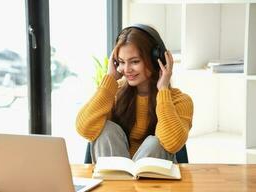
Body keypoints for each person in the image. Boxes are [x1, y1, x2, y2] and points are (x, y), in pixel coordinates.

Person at [76, 24, 194, 163]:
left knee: (155, 143)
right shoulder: (115, 92)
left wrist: (163, 89)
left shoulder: (180, 101)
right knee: (106, 130)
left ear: (157, 60)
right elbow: (84, 128)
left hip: (154, 182)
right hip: (116, 180)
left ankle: (129, 184)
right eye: (121, 62)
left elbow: (173, 143)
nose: (126, 69)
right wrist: (110, 79)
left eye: (134, 62)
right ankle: (122, 184)